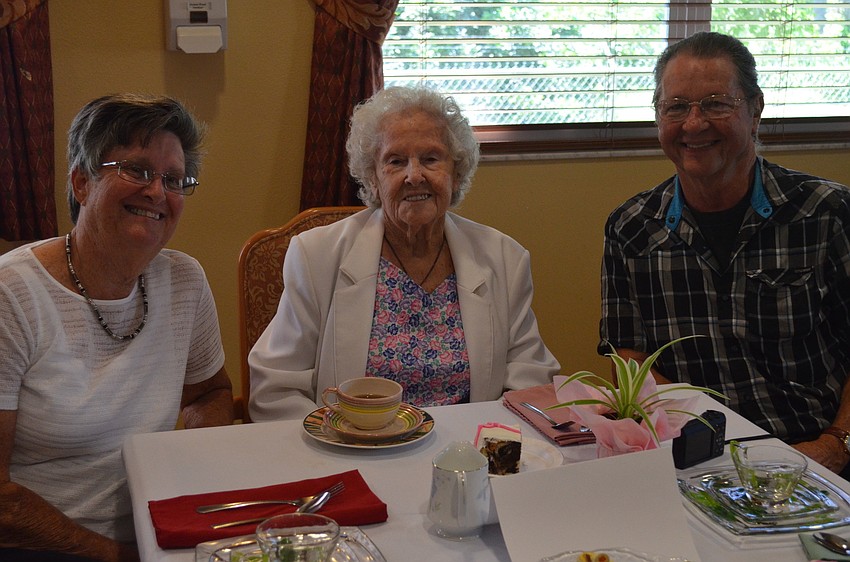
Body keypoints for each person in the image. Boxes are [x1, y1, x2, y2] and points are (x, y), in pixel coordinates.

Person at [600, 31, 850, 477]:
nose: (694, 124)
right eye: (676, 107)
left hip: (815, 450)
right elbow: (629, 359)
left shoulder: (827, 213)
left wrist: (837, 444)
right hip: (696, 459)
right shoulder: (632, 229)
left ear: (755, 110)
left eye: (716, 103)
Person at [0, 94, 234, 562]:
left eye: (173, 179)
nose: (157, 192)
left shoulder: (184, 280)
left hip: (159, 528)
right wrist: (122, 555)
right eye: (137, 170)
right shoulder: (12, 296)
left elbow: (210, 393)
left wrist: (187, 475)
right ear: (81, 182)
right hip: (41, 544)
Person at [249, 86, 559, 421]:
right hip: (355, 451)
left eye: (430, 159)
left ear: (455, 174)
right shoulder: (316, 256)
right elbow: (275, 390)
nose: (414, 176)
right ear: (373, 177)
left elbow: (531, 381)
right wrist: (335, 441)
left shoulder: (504, 259)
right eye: (396, 161)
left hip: (467, 455)